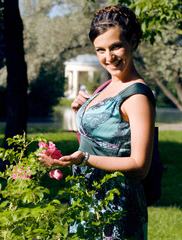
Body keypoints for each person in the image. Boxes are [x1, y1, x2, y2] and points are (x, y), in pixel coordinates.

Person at [38, 5, 155, 239]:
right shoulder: (106, 86)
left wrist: (85, 159)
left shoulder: (137, 96)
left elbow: (140, 166)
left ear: (132, 41)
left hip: (116, 205)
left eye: (116, 47)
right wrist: (81, 112)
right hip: (88, 198)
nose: (108, 57)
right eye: (100, 50)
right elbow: (103, 139)